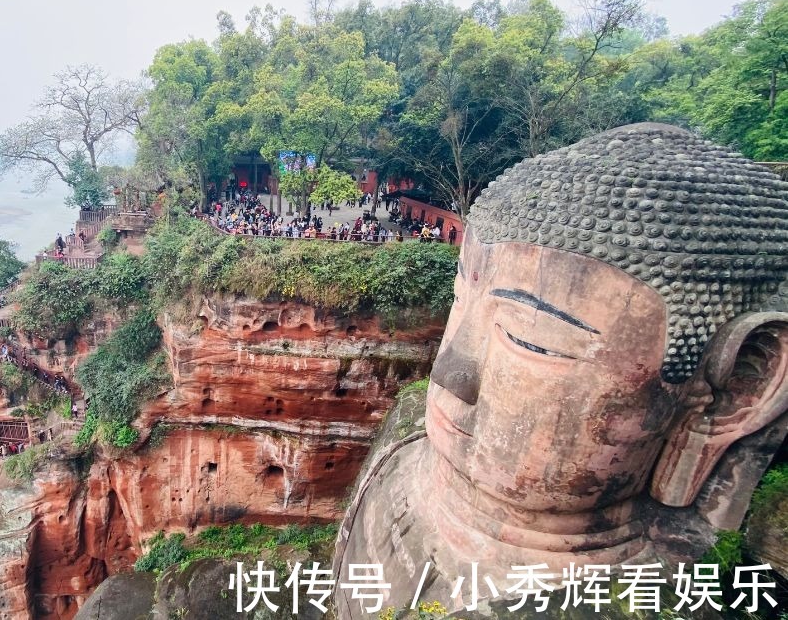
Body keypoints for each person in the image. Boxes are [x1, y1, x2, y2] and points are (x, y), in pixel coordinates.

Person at [334, 123, 788, 614]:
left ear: (743, 388)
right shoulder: (400, 456)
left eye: (528, 339)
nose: (447, 373)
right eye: (459, 300)